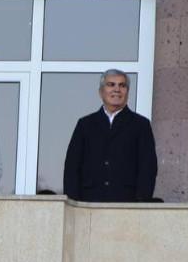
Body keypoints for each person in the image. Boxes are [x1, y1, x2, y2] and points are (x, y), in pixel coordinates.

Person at [63, 69, 157, 202]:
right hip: (89, 202)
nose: (117, 89)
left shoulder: (140, 125)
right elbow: (72, 167)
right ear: (101, 91)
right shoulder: (85, 124)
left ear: (127, 92)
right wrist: (73, 203)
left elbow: (148, 167)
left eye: (122, 85)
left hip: (127, 203)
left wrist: (141, 202)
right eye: (111, 84)